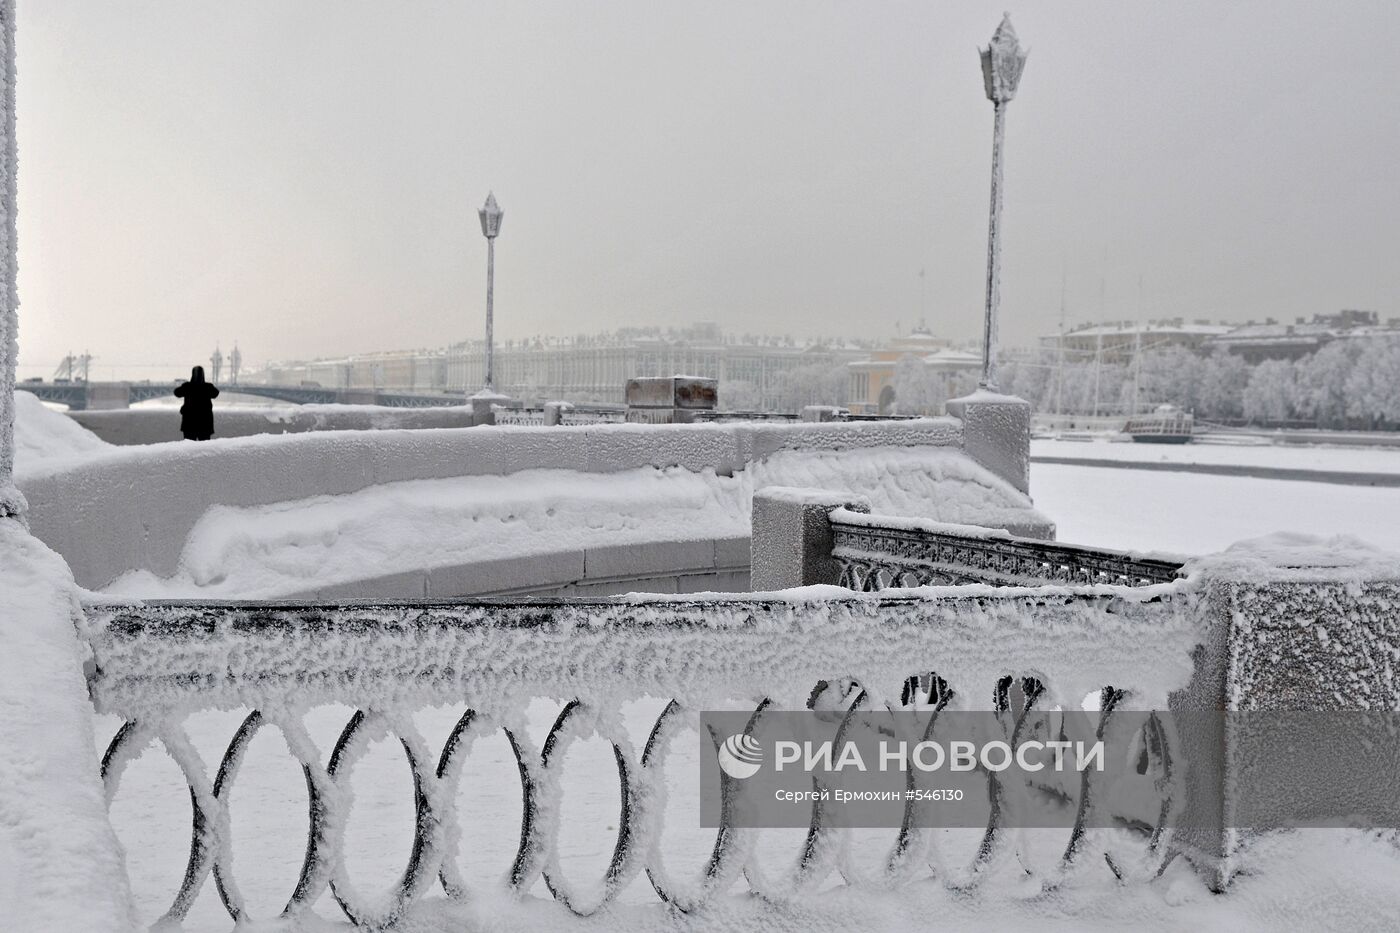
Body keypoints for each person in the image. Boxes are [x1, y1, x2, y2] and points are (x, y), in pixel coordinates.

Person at [174, 365, 219, 440]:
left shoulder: (187, 386)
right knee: (204, 447)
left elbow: (176, 393)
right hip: (205, 423)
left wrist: (184, 385)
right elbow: (216, 393)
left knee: (189, 448)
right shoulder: (208, 387)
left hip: (189, 423)